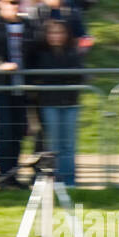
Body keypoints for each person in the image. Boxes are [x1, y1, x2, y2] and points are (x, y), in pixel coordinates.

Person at [0, 0, 33, 188]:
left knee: (19, 130)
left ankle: (14, 174)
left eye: (16, 2)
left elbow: (34, 51)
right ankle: (4, 175)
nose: (13, 6)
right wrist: (0, 65)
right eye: (9, 2)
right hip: (2, 86)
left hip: (22, 86)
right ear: (1, 4)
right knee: (6, 130)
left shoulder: (28, 26)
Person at [28, 18, 81, 185]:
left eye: (60, 32)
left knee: (69, 144)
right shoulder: (40, 54)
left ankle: (69, 180)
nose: (56, 36)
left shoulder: (73, 53)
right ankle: (54, 179)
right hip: (49, 103)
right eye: (52, 32)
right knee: (53, 144)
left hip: (70, 103)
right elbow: (41, 76)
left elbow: (79, 75)